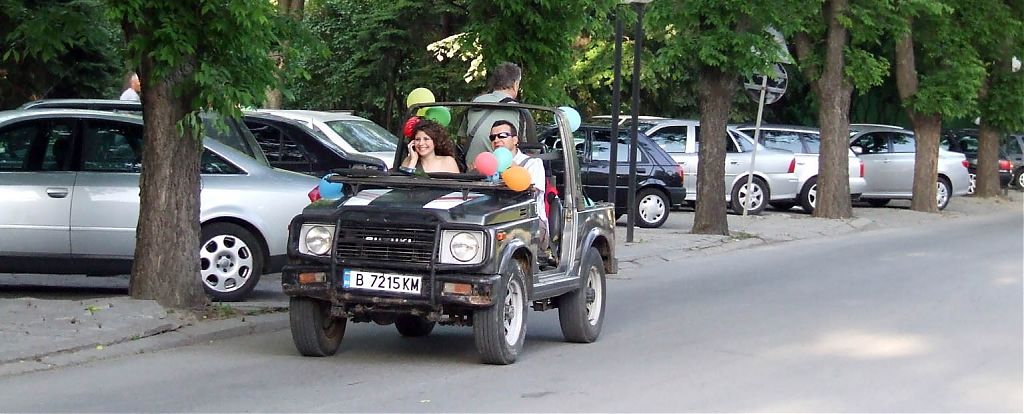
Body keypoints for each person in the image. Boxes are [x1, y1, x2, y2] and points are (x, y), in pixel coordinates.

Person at [489, 120, 551, 256]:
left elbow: (532, 193)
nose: (496, 140)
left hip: (530, 220)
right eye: (492, 137)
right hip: (494, 218)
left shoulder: (533, 163)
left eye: (502, 135)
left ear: (515, 140)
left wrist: (508, 164)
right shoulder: (489, 164)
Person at [464, 62, 522, 169]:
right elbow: (530, 148)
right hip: (505, 174)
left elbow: (463, 139)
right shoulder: (519, 110)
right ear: (515, 84)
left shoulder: (474, 104)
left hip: (472, 172)